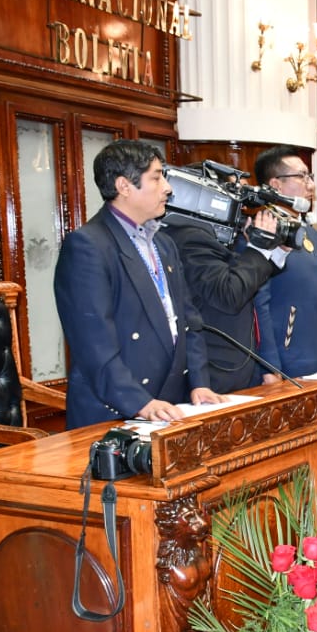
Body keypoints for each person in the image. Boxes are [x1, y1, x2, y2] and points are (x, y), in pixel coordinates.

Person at [54, 140, 223, 429]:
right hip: (115, 412)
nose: (167, 188)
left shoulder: (164, 243)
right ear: (124, 186)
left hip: (169, 406)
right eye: (156, 178)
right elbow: (93, 344)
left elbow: (188, 320)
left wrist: (198, 382)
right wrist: (139, 403)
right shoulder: (88, 246)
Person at [165, 205, 288, 394]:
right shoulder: (190, 237)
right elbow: (229, 294)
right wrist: (258, 249)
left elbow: (247, 275)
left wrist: (275, 250)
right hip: (212, 375)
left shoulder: (217, 233)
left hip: (241, 368)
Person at [252, 146, 317, 377]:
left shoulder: (306, 230)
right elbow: (258, 303)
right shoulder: (264, 229)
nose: (310, 185)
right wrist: (269, 366)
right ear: (275, 185)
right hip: (290, 359)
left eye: (309, 176)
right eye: (301, 176)